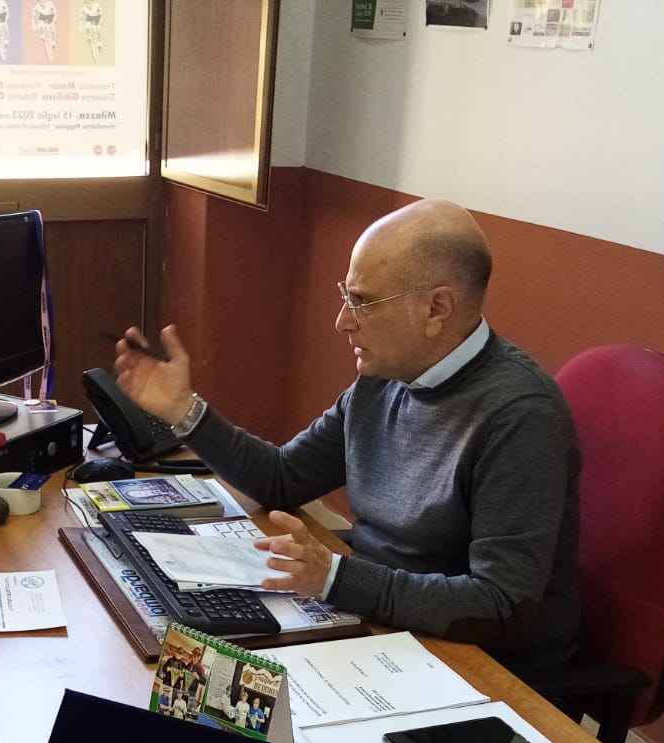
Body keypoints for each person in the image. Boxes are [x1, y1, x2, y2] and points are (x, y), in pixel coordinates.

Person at [115, 198, 580, 672]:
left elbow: (500, 606)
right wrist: (185, 412)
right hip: (380, 620)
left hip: (475, 662)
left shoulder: (520, 415)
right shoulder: (385, 378)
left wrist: (335, 577)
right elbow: (282, 478)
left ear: (436, 308)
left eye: (362, 302)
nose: (342, 321)